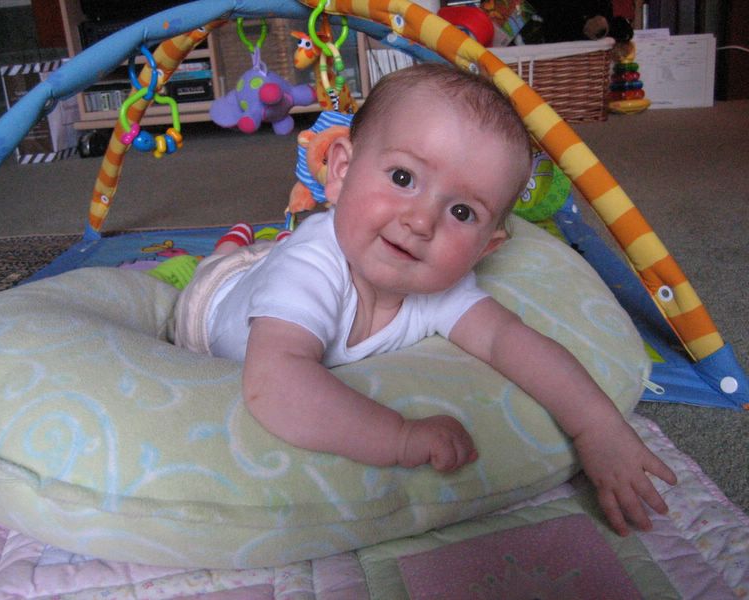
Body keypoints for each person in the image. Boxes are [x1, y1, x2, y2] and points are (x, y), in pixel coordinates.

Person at [171, 63, 676, 537]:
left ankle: (248, 244)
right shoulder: (308, 269)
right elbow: (274, 384)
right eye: (403, 178)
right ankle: (230, 247)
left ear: (485, 248)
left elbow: (509, 341)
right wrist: (400, 438)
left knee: (269, 255)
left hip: (280, 264)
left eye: (462, 212)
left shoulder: (438, 286)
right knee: (232, 264)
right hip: (213, 299)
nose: (421, 221)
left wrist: (597, 427)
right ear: (340, 171)